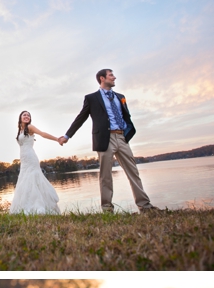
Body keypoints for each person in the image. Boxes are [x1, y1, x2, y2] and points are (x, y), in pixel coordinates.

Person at [59, 69, 157, 213]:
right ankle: (107, 209)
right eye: (111, 75)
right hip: (105, 139)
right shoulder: (91, 98)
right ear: (102, 78)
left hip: (122, 138)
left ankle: (145, 206)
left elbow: (126, 116)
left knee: (133, 172)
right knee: (105, 176)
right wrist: (67, 136)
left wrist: (126, 134)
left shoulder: (120, 97)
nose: (114, 77)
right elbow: (81, 118)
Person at [10, 111, 61, 214]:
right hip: (24, 160)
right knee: (24, 181)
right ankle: (26, 208)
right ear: (20, 118)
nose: (26, 116)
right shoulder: (20, 130)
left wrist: (57, 139)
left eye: (28, 115)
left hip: (31, 158)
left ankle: (39, 208)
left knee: (33, 180)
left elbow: (42, 134)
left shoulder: (30, 127)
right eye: (24, 115)